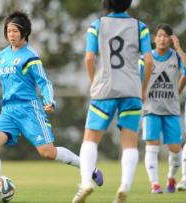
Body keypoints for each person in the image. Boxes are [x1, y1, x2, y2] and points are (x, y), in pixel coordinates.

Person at [0, 11, 103, 201]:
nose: (10, 34)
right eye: (8, 31)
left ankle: (90, 169)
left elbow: (45, 82)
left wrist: (50, 100)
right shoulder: (3, 55)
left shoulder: (31, 57)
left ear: (24, 33)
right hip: (8, 111)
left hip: (29, 110)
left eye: (14, 31)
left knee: (48, 152)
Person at [72, 0, 153, 203]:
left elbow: (89, 58)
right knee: (129, 144)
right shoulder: (140, 27)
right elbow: (149, 61)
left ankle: (85, 183)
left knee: (90, 140)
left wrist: (94, 82)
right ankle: (124, 186)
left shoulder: (97, 25)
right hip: (131, 91)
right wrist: (142, 89)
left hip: (104, 90)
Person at [141, 23, 186, 194]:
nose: (162, 39)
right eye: (159, 35)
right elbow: (136, 78)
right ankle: (155, 184)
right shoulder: (147, 59)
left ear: (171, 39)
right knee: (152, 146)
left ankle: (171, 177)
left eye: (166, 36)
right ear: (154, 39)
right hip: (151, 110)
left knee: (175, 149)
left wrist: (179, 48)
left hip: (171, 111)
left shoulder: (176, 56)